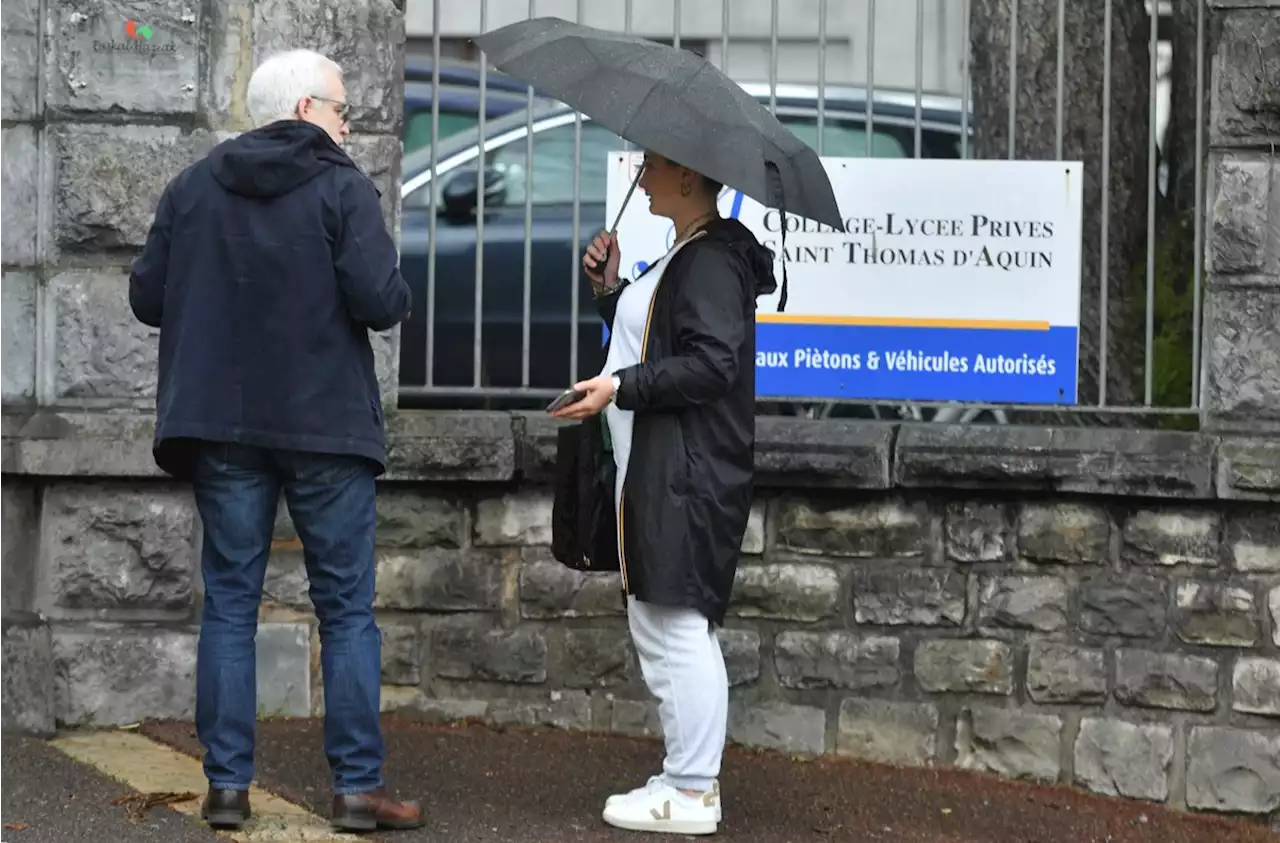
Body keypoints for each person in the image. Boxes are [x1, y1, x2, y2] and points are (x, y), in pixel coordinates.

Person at [127, 49, 423, 833]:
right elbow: (382, 301)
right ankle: (358, 788)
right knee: (346, 611)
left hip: (223, 426)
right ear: (302, 110)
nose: (347, 120)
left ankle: (226, 787)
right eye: (338, 106)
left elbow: (147, 297)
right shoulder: (341, 188)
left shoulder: (192, 188)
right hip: (326, 427)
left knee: (229, 601)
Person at [552, 151, 776, 835]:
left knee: (674, 622)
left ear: (689, 176)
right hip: (665, 464)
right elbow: (658, 334)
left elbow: (711, 363)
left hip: (686, 469)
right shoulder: (690, 253)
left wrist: (621, 386)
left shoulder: (707, 260)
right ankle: (686, 775)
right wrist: (611, 289)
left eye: (653, 165)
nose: (641, 175)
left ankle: (691, 788)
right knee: (668, 618)